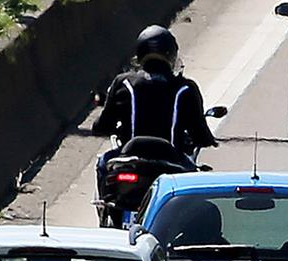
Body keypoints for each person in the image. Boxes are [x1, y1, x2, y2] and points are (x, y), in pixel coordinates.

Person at [92, 25, 216, 198]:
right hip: (172, 162)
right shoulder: (186, 88)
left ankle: (106, 212)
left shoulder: (124, 82)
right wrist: (207, 140)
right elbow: (201, 134)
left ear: (140, 54)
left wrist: (103, 126)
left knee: (103, 164)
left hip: (129, 160)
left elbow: (103, 125)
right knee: (193, 182)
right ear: (171, 55)